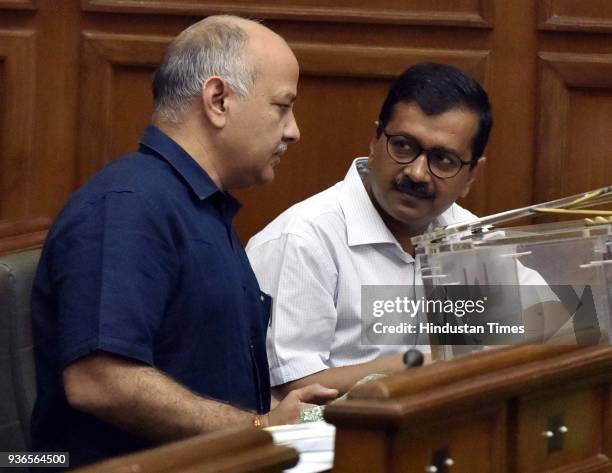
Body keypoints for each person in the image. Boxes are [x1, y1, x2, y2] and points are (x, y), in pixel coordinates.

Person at [30, 15, 337, 470]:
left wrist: (274, 417)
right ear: (218, 100)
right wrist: (260, 427)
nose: (293, 130)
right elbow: (100, 380)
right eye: (282, 106)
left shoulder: (200, 208)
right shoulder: (129, 206)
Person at [246, 63, 493, 397]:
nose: (417, 173)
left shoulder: (472, 237)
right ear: (375, 140)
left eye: (443, 160)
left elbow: (561, 326)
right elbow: (297, 388)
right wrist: (428, 363)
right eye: (404, 146)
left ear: (471, 176)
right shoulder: (303, 240)